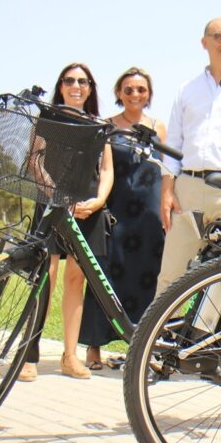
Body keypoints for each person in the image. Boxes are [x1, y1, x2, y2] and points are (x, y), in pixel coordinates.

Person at [20, 63, 115, 381]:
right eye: (70, 80)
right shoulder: (47, 117)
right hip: (52, 206)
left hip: (88, 209)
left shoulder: (99, 124)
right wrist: (56, 195)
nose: (77, 86)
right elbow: (35, 159)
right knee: (44, 277)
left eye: (83, 81)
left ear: (91, 88)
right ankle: (28, 356)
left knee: (77, 281)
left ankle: (70, 356)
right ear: (60, 85)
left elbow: (106, 171)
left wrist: (99, 200)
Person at [79, 67, 166, 370]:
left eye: (141, 89)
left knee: (147, 280)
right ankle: (93, 347)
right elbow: (98, 169)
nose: (135, 94)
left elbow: (166, 172)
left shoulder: (159, 127)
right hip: (115, 212)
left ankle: (141, 348)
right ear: (118, 93)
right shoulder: (106, 126)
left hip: (149, 215)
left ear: (148, 94)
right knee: (104, 277)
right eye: (128, 89)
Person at [157, 18, 221, 293]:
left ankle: (207, 336)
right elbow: (173, 143)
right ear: (204, 43)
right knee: (172, 274)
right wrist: (167, 190)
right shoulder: (187, 90)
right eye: (220, 36)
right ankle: (162, 335)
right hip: (189, 189)